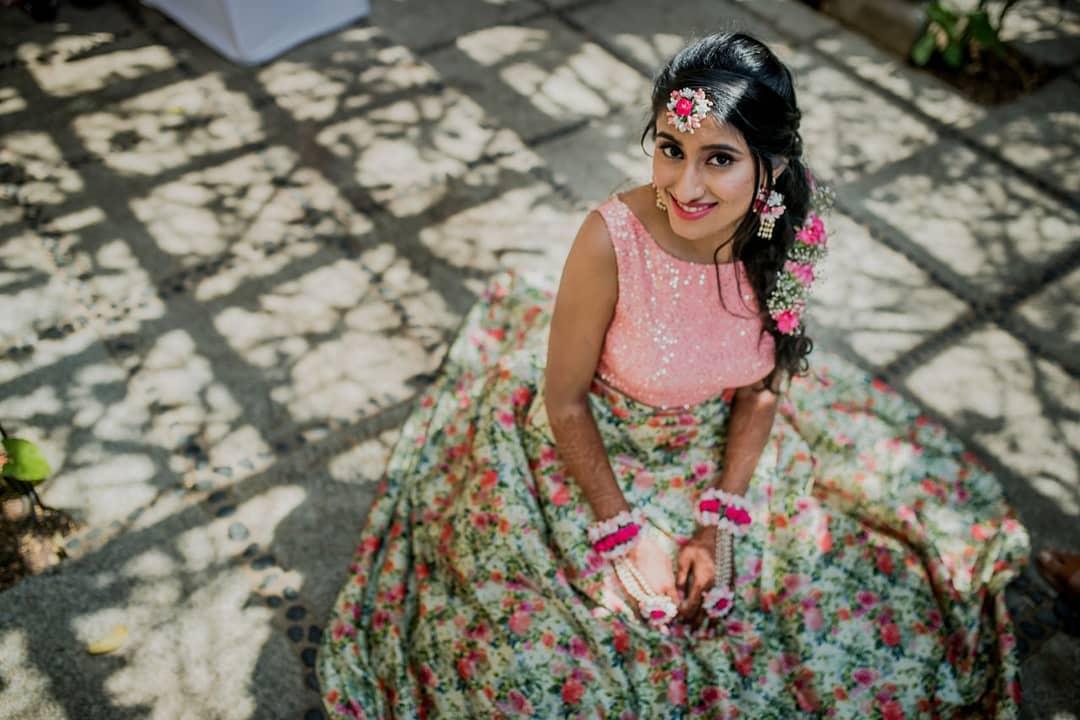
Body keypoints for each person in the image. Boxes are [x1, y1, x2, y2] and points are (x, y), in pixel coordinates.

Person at [318, 32, 1029, 719]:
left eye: (718, 159)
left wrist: (720, 518)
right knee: (552, 669)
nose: (684, 185)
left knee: (837, 624)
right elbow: (562, 400)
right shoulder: (609, 240)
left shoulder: (789, 237)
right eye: (669, 149)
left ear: (772, 169)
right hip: (590, 442)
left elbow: (763, 384)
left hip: (719, 447)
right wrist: (622, 531)